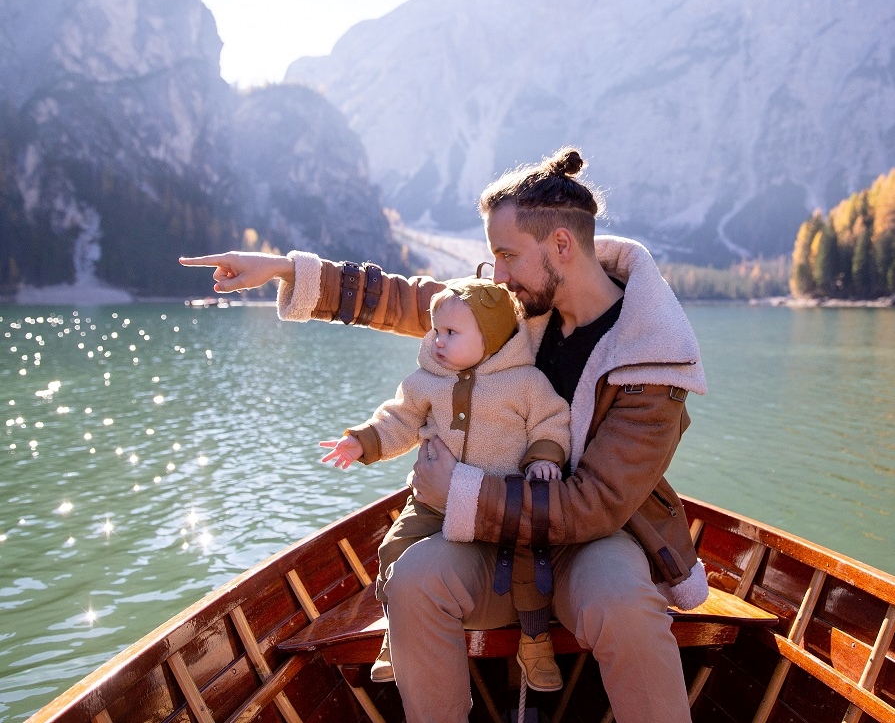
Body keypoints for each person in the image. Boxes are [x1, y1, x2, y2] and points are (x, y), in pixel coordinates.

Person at [180, 146, 709, 723]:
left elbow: (598, 505)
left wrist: (458, 490)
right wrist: (285, 269)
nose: (497, 275)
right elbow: (414, 300)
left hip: (592, 541)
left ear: (561, 245)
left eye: (506, 255)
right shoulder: (517, 304)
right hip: (491, 545)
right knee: (413, 580)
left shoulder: (651, 359)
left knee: (625, 604)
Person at [319, 276, 571, 691]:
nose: (438, 340)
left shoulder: (525, 382)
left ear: (490, 337)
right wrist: (362, 441)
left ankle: (535, 638)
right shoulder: (427, 380)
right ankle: (395, 632)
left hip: (501, 502)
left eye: (452, 333)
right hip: (433, 504)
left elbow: (552, 420)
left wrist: (544, 456)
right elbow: (398, 419)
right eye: (437, 330)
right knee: (394, 547)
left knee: (530, 563)